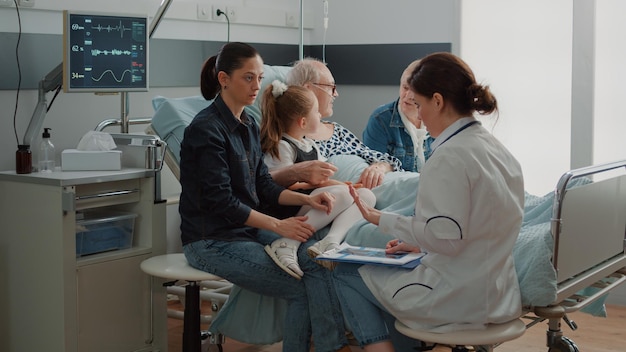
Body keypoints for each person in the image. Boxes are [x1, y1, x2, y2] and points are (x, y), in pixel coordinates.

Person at [332, 52, 525, 351]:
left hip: (457, 298)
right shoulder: (495, 149)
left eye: (419, 105)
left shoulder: (448, 156)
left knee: (345, 272)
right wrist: (422, 243)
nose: (419, 117)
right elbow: (473, 228)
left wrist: (379, 218)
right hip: (497, 292)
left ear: (437, 101)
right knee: (387, 280)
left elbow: (447, 240)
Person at [178, 42, 350, 352]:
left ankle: (329, 346)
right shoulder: (205, 130)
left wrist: (308, 200)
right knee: (300, 287)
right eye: (248, 78)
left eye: (259, 77)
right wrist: (279, 226)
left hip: (245, 232)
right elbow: (222, 203)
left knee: (319, 264)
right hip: (212, 241)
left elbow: (263, 186)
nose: (257, 85)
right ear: (223, 79)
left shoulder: (248, 124)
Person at [260, 79, 377, 277]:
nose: (321, 115)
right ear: (303, 122)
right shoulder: (282, 147)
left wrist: (347, 186)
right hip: (289, 208)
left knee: (366, 196)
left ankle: (330, 241)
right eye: (316, 112)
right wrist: (335, 188)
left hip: (313, 200)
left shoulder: (310, 146)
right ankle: (288, 242)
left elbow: (322, 181)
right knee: (342, 193)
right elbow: (278, 186)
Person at [285, 58, 403, 189]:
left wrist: (378, 168)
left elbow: (384, 159)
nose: (336, 94)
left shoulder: (338, 131)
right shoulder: (293, 143)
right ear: (309, 89)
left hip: (387, 180)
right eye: (331, 87)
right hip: (359, 190)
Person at [363, 59, 434, 172]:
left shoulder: (438, 120)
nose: (408, 95)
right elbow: (374, 168)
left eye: (415, 91)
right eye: (405, 87)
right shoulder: (380, 119)